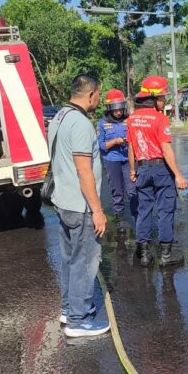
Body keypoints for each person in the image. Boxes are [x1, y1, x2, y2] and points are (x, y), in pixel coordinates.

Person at [46, 74, 110, 337]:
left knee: (70, 259)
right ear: (90, 94)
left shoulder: (59, 117)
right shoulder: (81, 124)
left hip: (63, 201)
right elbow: (84, 171)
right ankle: (79, 320)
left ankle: (68, 309)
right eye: (99, 95)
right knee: (85, 262)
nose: (100, 100)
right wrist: (98, 211)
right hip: (80, 205)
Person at [127, 76, 188, 267]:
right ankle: (166, 256)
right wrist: (178, 174)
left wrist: (132, 170)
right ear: (153, 99)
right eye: (162, 97)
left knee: (144, 210)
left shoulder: (132, 119)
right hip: (161, 169)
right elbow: (166, 149)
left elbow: (131, 147)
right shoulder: (160, 119)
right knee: (165, 210)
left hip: (142, 169)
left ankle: (145, 255)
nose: (164, 101)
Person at [97, 89, 137, 231]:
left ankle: (136, 216)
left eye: (121, 109)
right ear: (109, 109)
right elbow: (101, 145)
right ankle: (119, 218)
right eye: (116, 110)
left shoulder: (129, 121)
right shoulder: (102, 123)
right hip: (111, 160)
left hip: (127, 159)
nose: (119, 112)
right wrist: (115, 141)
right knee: (117, 191)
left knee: (132, 189)